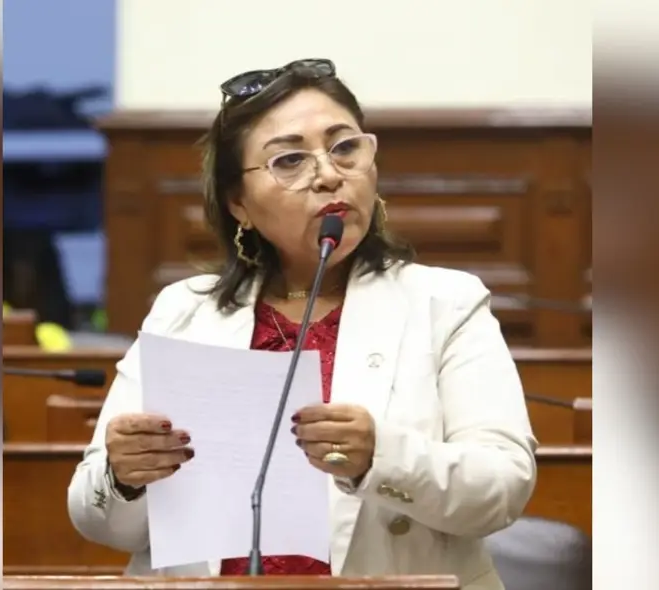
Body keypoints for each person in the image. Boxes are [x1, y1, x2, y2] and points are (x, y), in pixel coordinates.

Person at [68, 58, 537, 588]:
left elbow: (504, 487)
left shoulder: (444, 302)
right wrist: (125, 476)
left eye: (345, 147)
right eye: (289, 160)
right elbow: (96, 518)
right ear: (239, 203)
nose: (329, 174)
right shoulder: (183, 311)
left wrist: (379, 457)